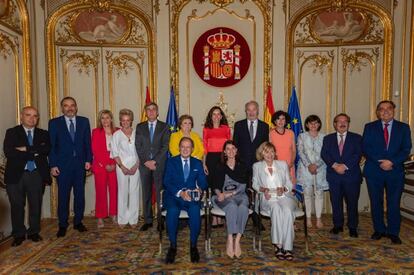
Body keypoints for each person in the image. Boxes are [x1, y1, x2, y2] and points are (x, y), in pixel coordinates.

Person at [362, 100, 412, 244]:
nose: (386, 111)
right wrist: (381, 162)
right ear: (378, 112)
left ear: (393, 110)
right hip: (374, 171)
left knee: (394, 203)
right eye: (382, 109)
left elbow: (406, 149)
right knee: (376, 202)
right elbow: (366, 147)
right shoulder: (370, 127)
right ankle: (379, 230)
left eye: (389, 108)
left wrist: (392, 162)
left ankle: (393, 232)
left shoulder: (403, 128)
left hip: (395, 171)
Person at [3, 107, 51, 246]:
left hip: (36, 174)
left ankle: (34, 232)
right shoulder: (12, 132)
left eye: (35, 116)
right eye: (28, 115)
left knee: (35, 205)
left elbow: (46, 149)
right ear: (21, 116)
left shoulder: (43, 133)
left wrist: (25, 149)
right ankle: (18, 234)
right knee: (17, 205)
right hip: (16, 175)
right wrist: (34, 151)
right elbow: (9, 152)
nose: (32, 118)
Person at [49, 97, 92, 237]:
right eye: (66, 106)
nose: (70, 108)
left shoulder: (84, 121)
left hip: (80, 165)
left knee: (80, 195)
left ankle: (78, 222)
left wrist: (88, 160)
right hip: (62, 167)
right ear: (62, 108)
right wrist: (53, 164)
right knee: (63, 196)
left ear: (76, 107)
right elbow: (52, 146)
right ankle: (62, 224)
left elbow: (87, 142)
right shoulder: (54, 123)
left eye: (72, 105)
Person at [163, 137, 208, 264]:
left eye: (188, 147)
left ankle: (193, 246)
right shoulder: (171, 162)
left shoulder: (197, 163)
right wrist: (180, 193)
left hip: (190, 197)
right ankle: (173, 246)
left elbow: (203, 182)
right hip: (174, 196)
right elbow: (166, 182)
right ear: (179, 148)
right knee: (172, 211)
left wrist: (200, 189)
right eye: (183, 146)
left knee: (195, 210)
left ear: (192, 149)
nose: (185, 149)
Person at [252, 142, 297, 261]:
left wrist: (284, 188)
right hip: (268, 197)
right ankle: (278, 245)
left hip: (284, 196)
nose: (270, 154)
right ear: (262, 153)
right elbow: (255, 184)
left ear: (275, 153)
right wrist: (263, 190)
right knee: (276, 209)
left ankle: (288, 247)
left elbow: (289, 182)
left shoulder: (282, 164)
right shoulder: (257, 166)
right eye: (266, 151)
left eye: (272, 151)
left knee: (287, 211)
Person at [321, 113, 362, 238]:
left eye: (346, 121)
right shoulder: (328, 138)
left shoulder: (357, 138)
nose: (343, 123)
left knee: (352, 203)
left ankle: (352, 227)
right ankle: (337, 225)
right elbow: (324, 154)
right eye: (340, 121)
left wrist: (344, 166)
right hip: (334, 177)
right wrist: (335, 165)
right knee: (336, 202)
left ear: (348, 124)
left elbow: (358, 155)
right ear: (335, 124)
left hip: (352, 176)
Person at [233, 100, 269, 230]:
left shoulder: (265, 126)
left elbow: (265, 146)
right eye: (249, 109)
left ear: (258, 111)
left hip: (259, 165)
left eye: (254, 109)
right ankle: (240, 217)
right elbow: (235, 145)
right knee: (242, 192)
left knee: (257, 192)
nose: (251, 112)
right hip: (242, 165)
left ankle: (256, 218)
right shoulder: (239, 125)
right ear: (245, 111)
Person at [135, 102, 170, 231]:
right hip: (144, 165)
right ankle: (148, 220)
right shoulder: (140, 127)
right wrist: (146, 161)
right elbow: (138, 146)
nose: (151, 112)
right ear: (145, 112)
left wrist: (154, 161)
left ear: (157, 112)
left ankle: (161, 221)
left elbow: (165, 146)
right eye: (148, 110)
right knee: (146, 193)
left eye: (153, 109)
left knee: (160, 193)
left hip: (159, 165)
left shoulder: (165, 127)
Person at [212, 140, 249, 259]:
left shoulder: (242, 165)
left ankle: (237, 240)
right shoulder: (219, 166)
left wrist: (230, 193)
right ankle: (229, 238)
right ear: (224, 152)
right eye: (228, 149)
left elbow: (244, 185)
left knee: (243, 208)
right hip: (222, 196)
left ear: (236, 151)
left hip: (240, 195)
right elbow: (215, 186)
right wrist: (220, 194)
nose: (231, 151)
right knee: (232, 206)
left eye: (233, 148)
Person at [297, 115, 329, 228]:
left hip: (320, 169)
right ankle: (308, 218)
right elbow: (300, 152)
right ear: (307, 125)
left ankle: (319, 218)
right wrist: (309, 165)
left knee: (319, 194)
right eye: (311, 123)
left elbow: (325, 153)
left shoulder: (324, 137)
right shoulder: (302, 136)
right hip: (306, 169)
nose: (313, 125)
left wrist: (317, 165)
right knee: (307, 194)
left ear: (319, 124)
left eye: (315, 123)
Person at [111, 109, 140, 228]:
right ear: (120, 121)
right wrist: (122, 167)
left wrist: (136, 166)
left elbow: (141, 151)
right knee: (122, 192)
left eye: (128, 120)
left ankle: (133, 219)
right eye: (123, 120)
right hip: (121, 166)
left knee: (134, 191)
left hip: (136, 165)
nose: (125, 122)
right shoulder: (116, 135)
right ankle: (122, 219)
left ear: (131, 121)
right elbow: (115, 153)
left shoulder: (137, 133)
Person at [202, 106, 231, 226]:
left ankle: (220, 213)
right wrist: (204, 163)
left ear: (222, 116)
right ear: (210, 116)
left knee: (222, 185)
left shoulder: (226, 129)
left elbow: (230, 146)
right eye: (214, 114)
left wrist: (230, 160)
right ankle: (214, 216)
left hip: (223, 159)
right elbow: (204, 148)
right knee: (213, 186)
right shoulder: (206, 129)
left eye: (218, 114)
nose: (216, 116)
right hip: (211, 159)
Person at [91, 110, 118, 228]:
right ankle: (100, 217)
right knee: (101, 192)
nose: (105, 120)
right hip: (100, 165)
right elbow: (95, 150)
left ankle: (114, 214)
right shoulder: (96, 132)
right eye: (103, 118)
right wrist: (105, 164)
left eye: (107, 117)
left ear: (111, 119)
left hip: (115, 163)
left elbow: (121, 149)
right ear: (100, 120)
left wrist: (114, 164)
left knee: (114, 190)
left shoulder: (117, 131)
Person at [269, 110, 297, 185]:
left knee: (289, 190)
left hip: (289, 166)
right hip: (275, 165)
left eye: (283, 119)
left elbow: (294, 150)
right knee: (277, 189)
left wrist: (291, 163)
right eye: (278, 119)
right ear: (275, 121)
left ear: (286, 121)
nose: (281, 121)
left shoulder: (291, 133)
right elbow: (269, 152)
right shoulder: (271, 133)